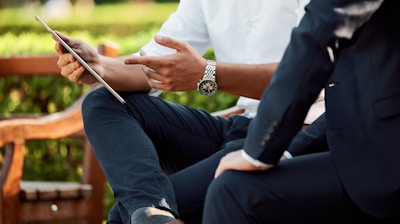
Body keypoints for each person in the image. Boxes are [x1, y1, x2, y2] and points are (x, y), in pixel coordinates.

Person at [53, 0, 323, 223]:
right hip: (239, 127)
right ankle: (153, 211)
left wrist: (209, 74)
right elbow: (151, 65)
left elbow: (309, 75)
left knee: (123, 217)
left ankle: (151, 212)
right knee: (102, 102)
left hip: (292, 135)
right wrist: (99, 66)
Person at [202, 0, 400, 223]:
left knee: (232, 191)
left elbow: (317, 35)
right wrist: (287, 150)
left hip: (383, 159)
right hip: (347, 142)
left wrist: (258, 151)